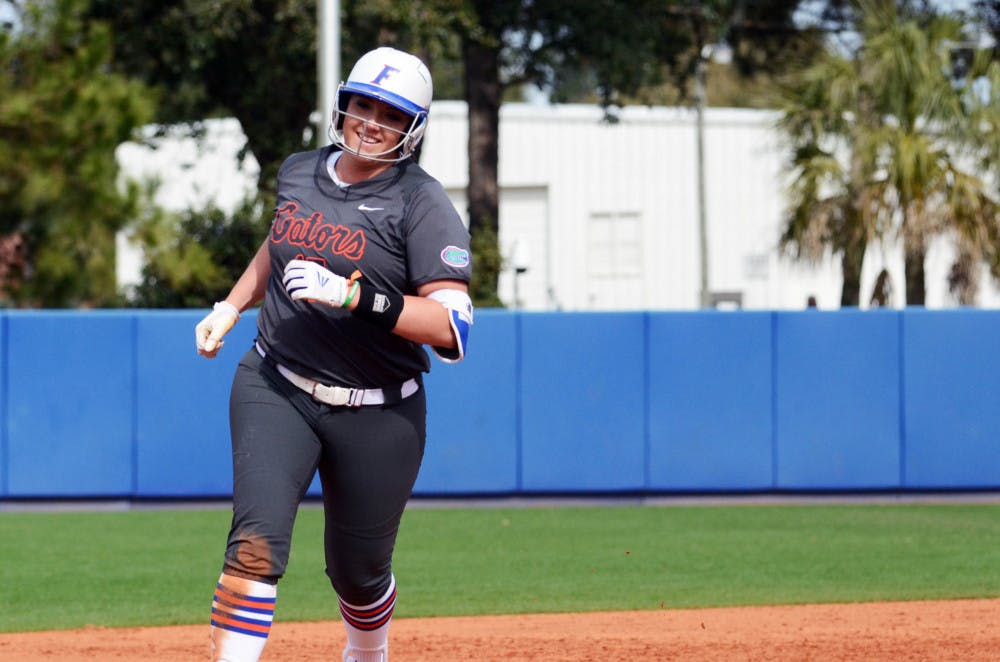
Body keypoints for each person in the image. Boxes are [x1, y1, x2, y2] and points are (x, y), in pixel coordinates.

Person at [194, 46, 473, 662]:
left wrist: (355, 295)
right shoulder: (299, 170)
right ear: (343, 105)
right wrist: (231, 305)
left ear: (413, 127)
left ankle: (367, 653)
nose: (372, 122)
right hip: (277, 383)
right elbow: (280, 242)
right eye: (364, 105)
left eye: (391, 114)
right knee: (254, 548)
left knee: (358, 573)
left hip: (379, 411)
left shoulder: (422, 203)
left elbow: (453, 327)